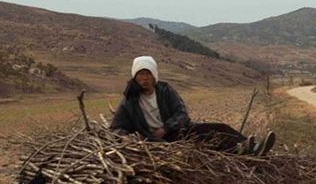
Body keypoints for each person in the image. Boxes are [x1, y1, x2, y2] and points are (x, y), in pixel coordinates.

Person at [109, 55, 275, 155]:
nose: (144, 78)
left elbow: (181, 113)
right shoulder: (129, 100)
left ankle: (254, 148)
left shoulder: (165, 90)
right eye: (140, 74)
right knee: (207, 147)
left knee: (220, 128)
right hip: (153, 141)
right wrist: (127, 137)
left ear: (154, 76)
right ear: (135, 77)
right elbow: (116, 127)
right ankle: (239, 151)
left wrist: (165, 128)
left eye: (147, 74)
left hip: (175, 131)